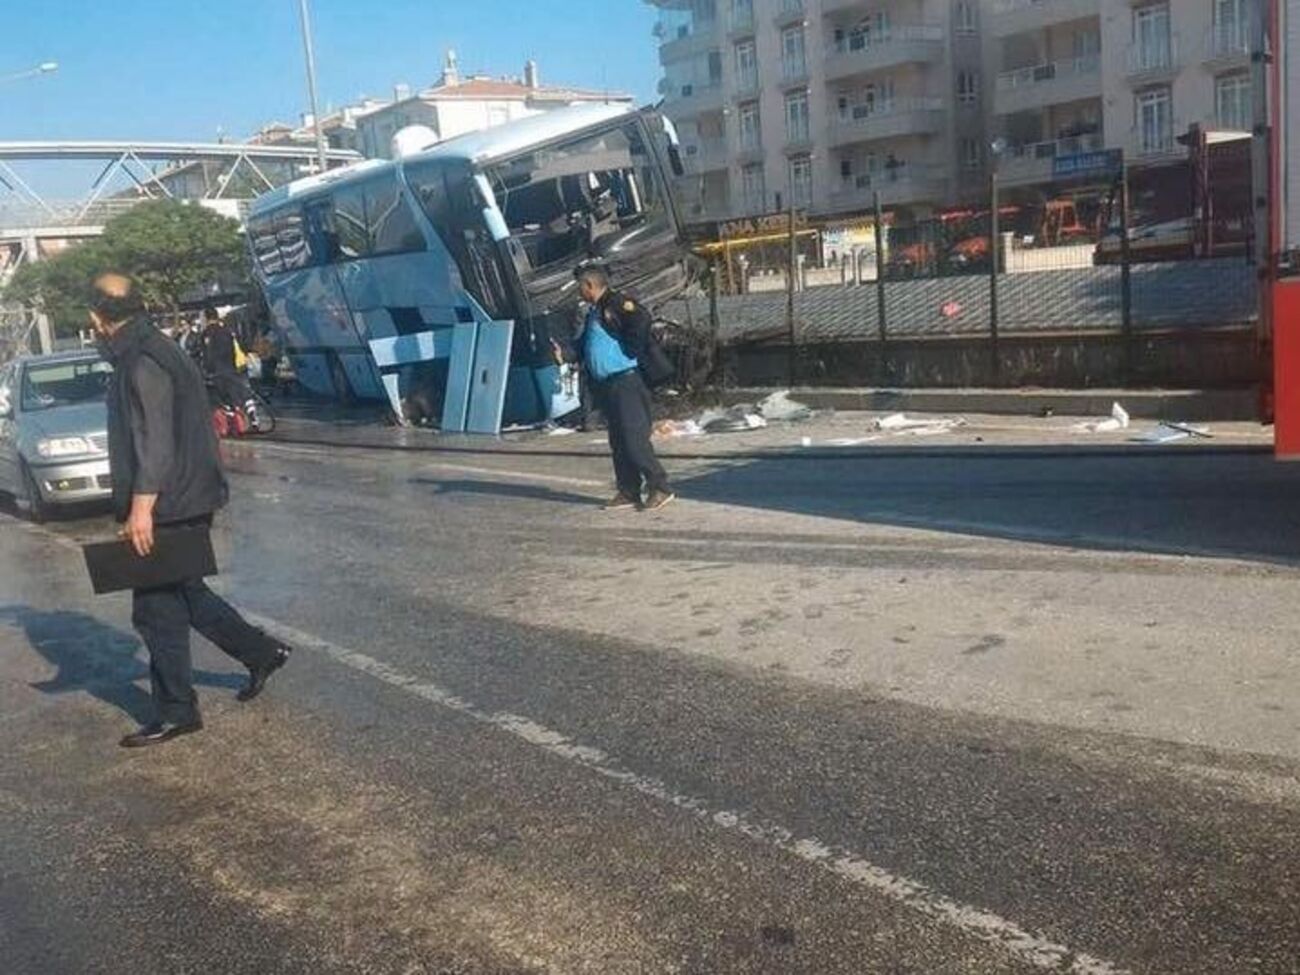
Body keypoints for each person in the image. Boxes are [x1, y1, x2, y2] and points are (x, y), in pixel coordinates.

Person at [88, 274, 291, 748]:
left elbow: (153, 440)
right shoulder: (156, 347)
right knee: (184, 592)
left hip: (170, 501)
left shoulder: (143, 360)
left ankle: (178, 712)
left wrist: (141, 508)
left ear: (99, 317)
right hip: (186, 493)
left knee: (156, 610)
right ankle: (261, 652)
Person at [569, 264, 675, 511]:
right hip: (608, 385)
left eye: (579, 287)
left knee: (634, 437)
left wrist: (631, 350)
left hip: (626, 381)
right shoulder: (594, 312)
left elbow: (641, 318)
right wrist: (565, 354)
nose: (578, 292)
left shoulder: (615, 303)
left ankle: (659, 486)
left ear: (590, 285)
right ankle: (628, 490)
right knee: (618, 441)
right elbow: (586, 345)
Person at [200, 307, 261, 427]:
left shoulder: (207, 333)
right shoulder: (227, 330)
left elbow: (208, 354)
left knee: (223, 398)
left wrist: (207, 369)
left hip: (219, 371)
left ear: (206, 318)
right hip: (235, 367)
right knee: (243, 393)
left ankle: (233, 422)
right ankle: (252, 416)